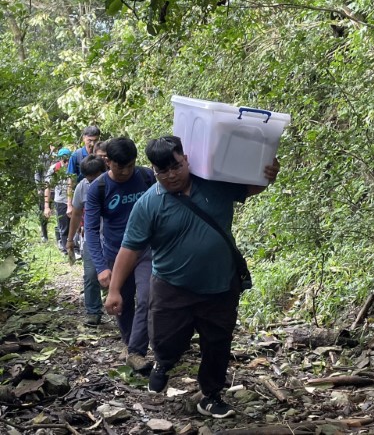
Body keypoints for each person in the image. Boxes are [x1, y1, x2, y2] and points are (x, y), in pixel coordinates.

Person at [105, 136, 280, 419]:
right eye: (162, 171)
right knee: (165, 339)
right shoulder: (149, 204)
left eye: (176, 166)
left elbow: (252, 186)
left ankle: (210, 395)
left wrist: (269, 175)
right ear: (153, 171)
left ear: (186, 159)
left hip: (220, 285)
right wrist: (114, 290)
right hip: (171, 287)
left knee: (218, 342)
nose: (171, 175)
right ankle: (163, 363)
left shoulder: (214, 184)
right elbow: (130, 249)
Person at [85, 137, 156, 370]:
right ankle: (129, 344)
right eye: (119, 166)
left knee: (146, 297)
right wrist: (101, 266)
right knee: (121, 302)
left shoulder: (147, 177)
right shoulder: (99, 188)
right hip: (115, 252)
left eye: (130, 165)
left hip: (145, 250)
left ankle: (137, 351)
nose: (125, 171)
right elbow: (92, 230)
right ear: (108, 162)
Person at [66, 155, 107, 326]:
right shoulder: (82, 187)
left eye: (96, 178)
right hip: (92, 237)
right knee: (90, 275)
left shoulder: (115, 183)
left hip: (114, 236)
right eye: (89, 179)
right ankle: (93, 312)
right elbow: (76, 214)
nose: (93, 182)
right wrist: (70, 239)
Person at [67, 125, 101, 217]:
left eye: (95, 140)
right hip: (81, 197)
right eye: (89, 140)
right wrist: (69, 205)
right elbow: (70, 181)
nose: (92, 144)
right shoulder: (76, 156)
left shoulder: (102, 155)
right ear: (84, 139)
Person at [44, 148, 72, 255]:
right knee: (63, 226)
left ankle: (74, 247)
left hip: (73, 200)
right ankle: (66, 250)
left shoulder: (73, 167)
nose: (66, 163)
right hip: (60, 200)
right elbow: (47, 186)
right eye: (64, 160)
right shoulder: (54, 169)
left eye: (67, 160)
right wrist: (47, 206)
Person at [34, 145, 57, 242]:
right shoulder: (43, 157)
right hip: (45, 188)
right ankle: (44, 234)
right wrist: (39, 188)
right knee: (44, 210)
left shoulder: (61, 155)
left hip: (58, 188)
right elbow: (37, 173)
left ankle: (60, 236)